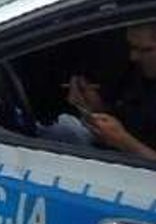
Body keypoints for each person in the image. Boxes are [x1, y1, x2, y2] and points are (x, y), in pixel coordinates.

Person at [66, 23, 156, 161]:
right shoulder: (139, 77)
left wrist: (125, 143)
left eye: (145, 50)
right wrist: (96, 110)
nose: (133, 57)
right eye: (132, 47)